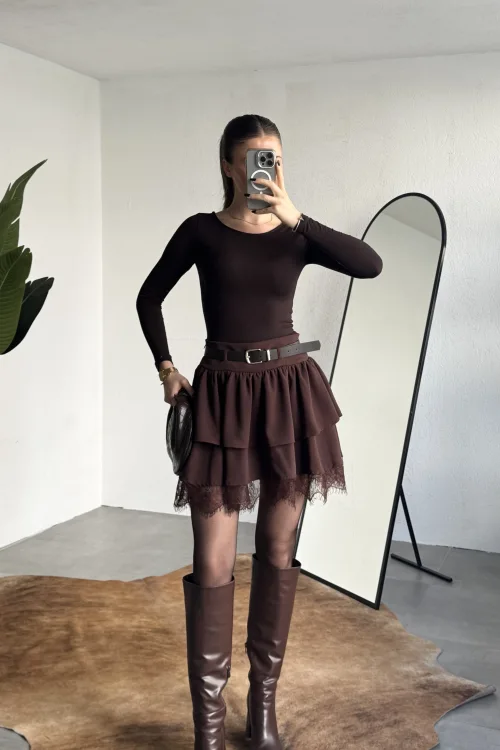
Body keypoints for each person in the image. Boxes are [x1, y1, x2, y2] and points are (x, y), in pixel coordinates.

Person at [136, 114, 383, 750]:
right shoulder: (200, 231)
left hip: (287, 394)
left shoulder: (297, 233)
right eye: (252, 157)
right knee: (213, 561)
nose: (263, 168)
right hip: (220, 394)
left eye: (273, 156)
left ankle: (263, 709)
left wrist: (295, 215)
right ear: (228, 165)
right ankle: (209, 729)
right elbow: (148, 297)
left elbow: (371, 265)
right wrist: (167, 369)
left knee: (276, 548)